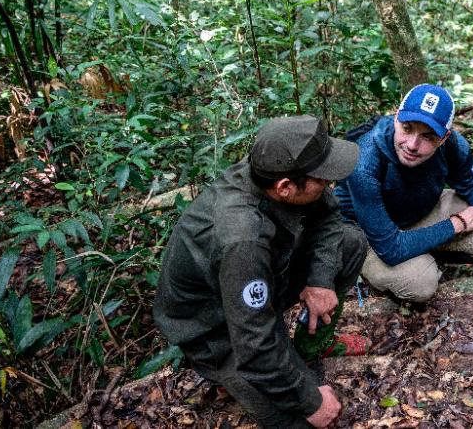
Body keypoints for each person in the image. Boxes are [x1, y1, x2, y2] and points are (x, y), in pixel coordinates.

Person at [154, 116, 369, 428]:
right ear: (285, 188)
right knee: (306, 417)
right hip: (215, 327)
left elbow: (328, 217)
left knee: (349, 243)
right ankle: (231, 371)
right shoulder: (242, 238)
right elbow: (254, 344)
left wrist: (320, 281)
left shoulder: (277, 169)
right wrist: (309, 399)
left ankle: (312, 345)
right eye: (322, 179)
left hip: (268, 277)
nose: (328, 185)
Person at [336, 83, 473, 302]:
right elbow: (390, 249)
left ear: (444, 138)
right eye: (407, 128)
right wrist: (456, 225)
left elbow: (472, 183)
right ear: (396, 117)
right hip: (370, 235)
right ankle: (399, 258)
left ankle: (426, 246)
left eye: (428, 136)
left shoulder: (452, 144)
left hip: (419, 211)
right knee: (420, 283)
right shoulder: (366, 159)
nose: (412, 145)